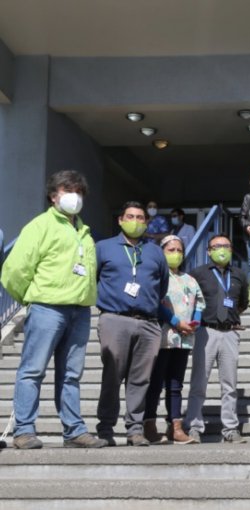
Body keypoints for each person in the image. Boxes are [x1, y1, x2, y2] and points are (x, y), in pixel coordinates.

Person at [0, 170, 107, 449]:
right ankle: (23, 430)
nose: (73, 196)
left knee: (72, 374)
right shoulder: (39, 226)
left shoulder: (83, 230)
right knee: (32, 371)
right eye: (66, 189)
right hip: (47, 307)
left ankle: (74, 430)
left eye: (78, 191)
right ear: (53, 195)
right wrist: (30, 297)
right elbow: (14, 269)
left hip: (80, 310)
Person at [95, 201, 170, 447]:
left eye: (140, 218)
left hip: (148, 322)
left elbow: (163, 286)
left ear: (146, 222)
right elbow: (93, 279)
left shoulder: (156, 251)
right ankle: (105, 428)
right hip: (115, 318)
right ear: (120, 220)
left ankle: (134, 429)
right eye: (130, 216)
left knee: (141, 379)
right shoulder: (104, 248)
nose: (135, 221)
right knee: (112, 376)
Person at [186, 234, 250, 444]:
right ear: (208, 251)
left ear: (231, 249)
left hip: (230, 332)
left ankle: (230, 428)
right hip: (206, 332)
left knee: (230, 384)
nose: (221, 249)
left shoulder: (239, 274)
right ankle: (194, 426)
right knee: (199, 382)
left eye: (226, 245)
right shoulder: (198, 273)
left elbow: (242, 302)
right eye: (216, 246)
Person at [143, 235, 205, 445]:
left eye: (179, 250)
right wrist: (176, 321)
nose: (176, 254)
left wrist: (194, 322)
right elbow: (156, 302)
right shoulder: (157, 277)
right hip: (163, 337)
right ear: (162, 253)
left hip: (185, 338)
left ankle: (175, 426)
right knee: (156, 383)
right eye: (171, 250)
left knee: (176, 384)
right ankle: (149, 425)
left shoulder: (190, 279)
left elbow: (199, 304)